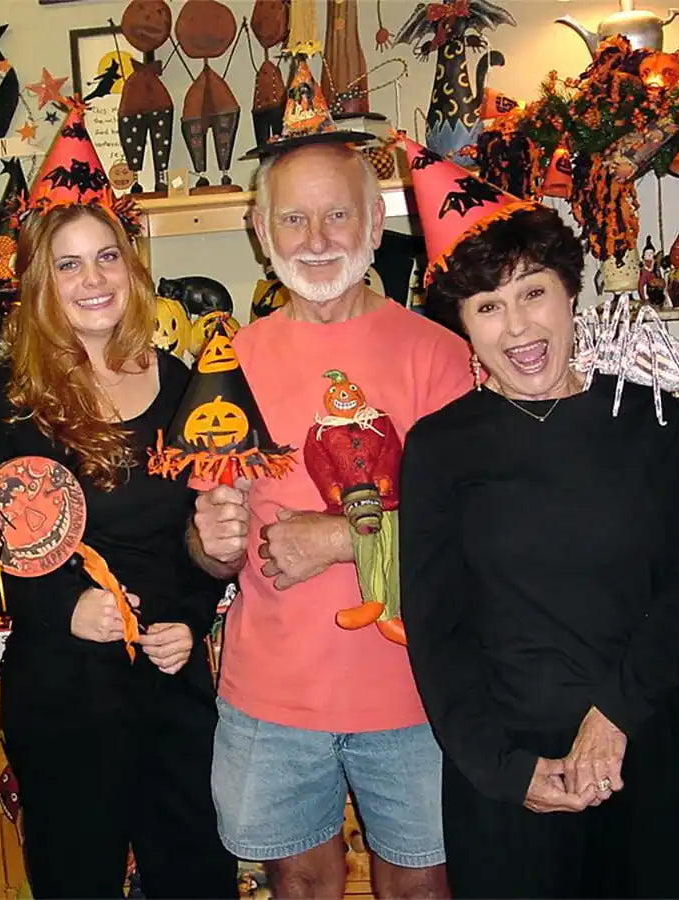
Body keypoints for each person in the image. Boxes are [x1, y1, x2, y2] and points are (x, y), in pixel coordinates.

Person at [395, 135, 679, 898]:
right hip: (507, 777)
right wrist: (509, 774)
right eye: (488, 307)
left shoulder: (650, 419)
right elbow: (437, 630)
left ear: (570, 292)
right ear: (465, 326)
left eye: (532, 293)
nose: (518, 329)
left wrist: (610, 719)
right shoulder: (441, 447)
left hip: (638, 751)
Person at [0, 104, 236, 900]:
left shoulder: (186, 389)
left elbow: (210, 532)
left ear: (133, 268)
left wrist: (189, 619)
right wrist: (53, 606)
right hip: (64, 697)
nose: (92, 279)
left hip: (171, 694)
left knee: (196, 880)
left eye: (106, 257)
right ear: (40, 282)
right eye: (68, 265)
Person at [188, 65, 471, 900]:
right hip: (273, 699)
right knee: (299, 886)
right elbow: (207, 552)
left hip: (419, 693)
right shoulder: (223, 365)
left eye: (337, 213)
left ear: (375, 219)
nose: (316, 237)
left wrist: (339, 538)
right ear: (258, 228)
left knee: (422, 889)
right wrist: (208, 543)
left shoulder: (441, 355)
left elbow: (475, 526)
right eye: (294, 217)